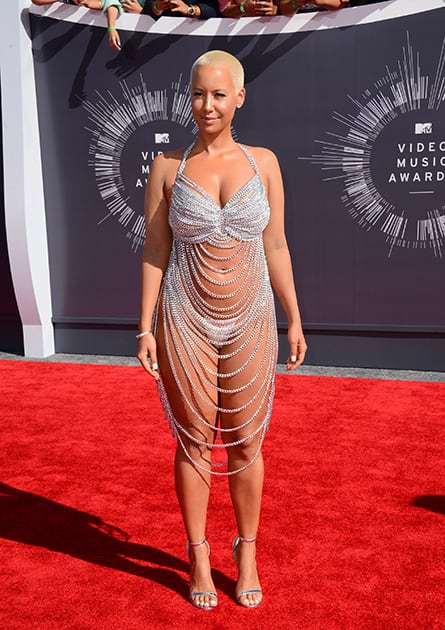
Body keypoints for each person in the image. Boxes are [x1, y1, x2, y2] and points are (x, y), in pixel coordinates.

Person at [136, 50, 307, 610]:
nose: (205, 106)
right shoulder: (168, 166)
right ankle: (199, 553)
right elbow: (156, 249)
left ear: (239, 97)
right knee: (192, 440)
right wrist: (145, 325)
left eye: (217, 94)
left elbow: (276, 244)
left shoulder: (264, 163)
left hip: (251, 315)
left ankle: (248, 550)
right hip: (184, 316)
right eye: (196, 94)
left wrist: (294, 316)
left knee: (247, 440)